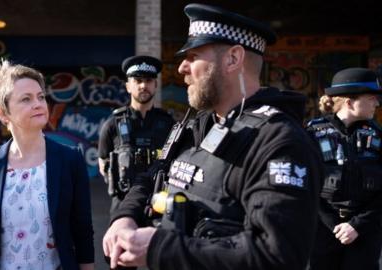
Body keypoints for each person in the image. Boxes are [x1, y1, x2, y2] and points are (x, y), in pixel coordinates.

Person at [102, 3, 323, 270]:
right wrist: (125, 217)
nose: (182, 67)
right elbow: (154, 175)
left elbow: (275, 256)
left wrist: (159, 248)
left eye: (193, 56)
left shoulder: (279, 142)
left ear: (233, 59)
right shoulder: (199, 124)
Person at [0, 60, 94, 270]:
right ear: (2, 113)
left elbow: (82, 228)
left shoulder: (70, 160)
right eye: (26, 99)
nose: (38, 104)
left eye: (41, 97)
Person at [306, 67, 382, 270]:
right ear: (349, 102)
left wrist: (357, 225)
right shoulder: (312, 134)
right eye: (371, 98)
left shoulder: (378, 136)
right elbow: (306, 185)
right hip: (323, 233)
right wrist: (334, 225)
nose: (377, 102)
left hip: (365, 234)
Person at [98, 55, 174, 214]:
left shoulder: (168, 124)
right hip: (122, 204)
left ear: (156, 85)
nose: (143, 86)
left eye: (148, 81)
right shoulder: (113, 124)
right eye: (137, 81)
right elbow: (103, 163)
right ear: (128, 86)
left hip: (158, 206)